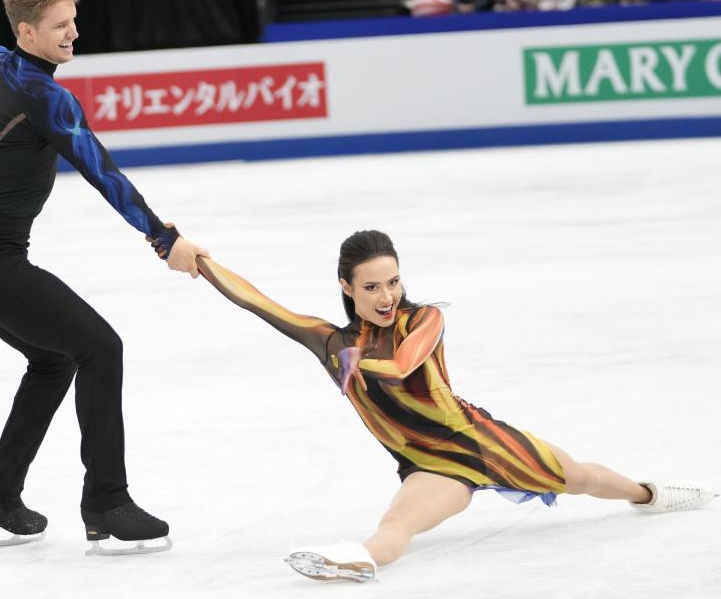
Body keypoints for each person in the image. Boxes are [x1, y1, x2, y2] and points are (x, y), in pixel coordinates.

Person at [195, 230, 716, 582]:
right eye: (372, 286)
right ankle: (354, 560)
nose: (386, 295)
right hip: (427, 462)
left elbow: (400, 367)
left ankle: (649, 493)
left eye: (393, 281)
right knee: (397, 522)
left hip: (477, 440)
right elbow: (256, 301)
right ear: (346, 287)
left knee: (577, 476)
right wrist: (194, 257)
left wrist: (354, 364)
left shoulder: (423, 320)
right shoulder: (330, 341)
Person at [0, 0, 207, 553]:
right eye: (61, 25)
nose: (73, 33)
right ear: (28, 32)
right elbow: (101, 170)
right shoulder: (46, 95)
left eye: (74, 21)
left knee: (54, 362)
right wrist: (164, 240)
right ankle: (107, 501)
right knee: (98, 347)